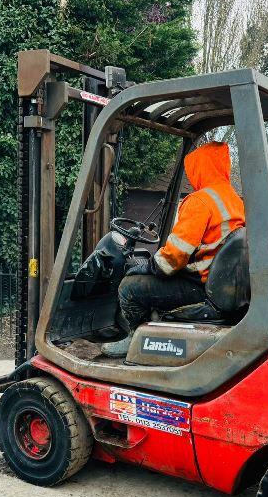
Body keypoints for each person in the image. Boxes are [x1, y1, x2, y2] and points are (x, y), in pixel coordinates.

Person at [102, 141, 245, 357]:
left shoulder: (200, 201)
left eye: (192, 171)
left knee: (129, 287)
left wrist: (149, 267)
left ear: (200, 169)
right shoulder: (234, 200)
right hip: (222, 284)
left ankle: (135, 340)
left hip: (200, 284)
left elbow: (174, 258)